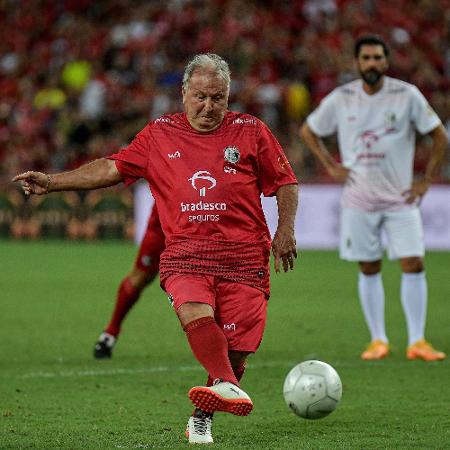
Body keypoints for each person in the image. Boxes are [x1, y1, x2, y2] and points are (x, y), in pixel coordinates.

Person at [13, 53, 299, 444]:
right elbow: (111, 168)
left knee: (236, 351)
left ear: (229, 95)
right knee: (193, 311)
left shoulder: (251, 130)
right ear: (183, 94)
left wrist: (285, 231)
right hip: (186, 253)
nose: (209, 106)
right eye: (200, 96)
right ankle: (228, 386)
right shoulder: (159, 134)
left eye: (218, 98)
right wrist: (54, 182)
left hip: (245, 255)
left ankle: (205, 410)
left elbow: (285, 182)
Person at [300, 35, 447, 362]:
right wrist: (330, 166)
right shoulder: (343, 98)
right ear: (357, 62)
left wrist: (427, 179)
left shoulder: (406, 95)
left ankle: (417, 340)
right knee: (369, 266)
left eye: (377, 57)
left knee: (413, 262)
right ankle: (378, 340)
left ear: (386, 61)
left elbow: (439, 134)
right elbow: (309, 130)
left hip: (400, 198)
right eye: (366, 58)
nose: (371, 64)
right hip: (358, 198)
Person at [93, 204, 165, 359]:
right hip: (163, 224)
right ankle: (110, 332)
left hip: (204, 219)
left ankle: (225, 339)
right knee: (141, 277)